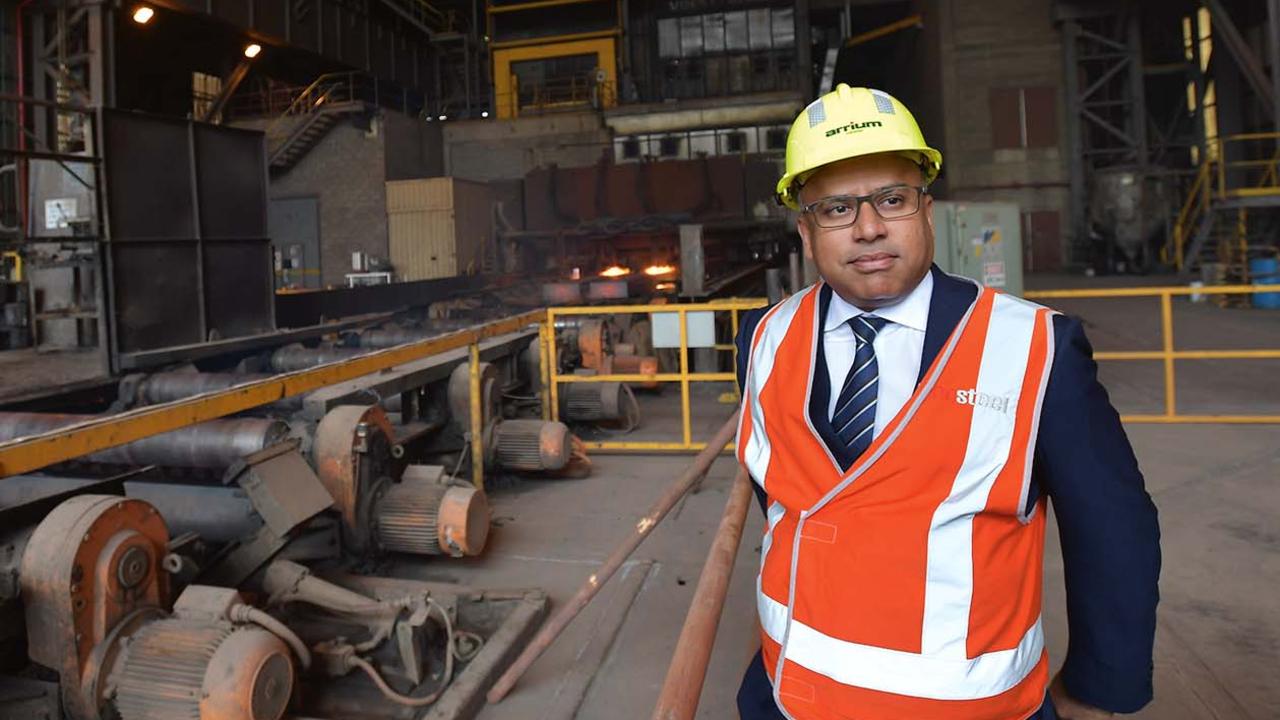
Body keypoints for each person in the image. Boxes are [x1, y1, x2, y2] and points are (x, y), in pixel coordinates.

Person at [733, 85, 1160, 720]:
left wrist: (1101, 688)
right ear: (806, 230)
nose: (869, 227)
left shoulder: (1035, 348)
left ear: (927, 210)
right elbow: (788, 496)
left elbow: (1111, 527)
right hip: (785, 694)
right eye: (837, 209)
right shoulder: (764, 338)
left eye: (892, 199)